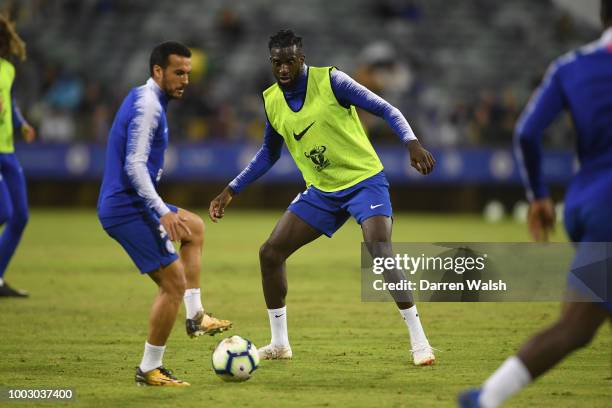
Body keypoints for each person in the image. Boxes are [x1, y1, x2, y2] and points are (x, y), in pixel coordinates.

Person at [209, 30, 437, 365]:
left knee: (379, 249)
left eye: (290, 61)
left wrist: (411, 142)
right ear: (271, 62)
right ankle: (279, 344)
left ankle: (420, 342)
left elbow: (385, 108)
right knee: (270, 254)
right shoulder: (272, 100)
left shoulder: (332, 80)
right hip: (322, 191)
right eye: (277, 62)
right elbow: (268, 154)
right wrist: (231, 190)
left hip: (364, 181)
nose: (284, 69)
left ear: (302, 58)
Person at [459, 1, 612, 406]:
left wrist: (539, 196)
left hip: (588, 206)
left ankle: (487, 397)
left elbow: (527, 132)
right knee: (577, 325)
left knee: (577, 327)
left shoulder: (570, 66)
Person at [97, 41, 231, 386]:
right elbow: (135, 165)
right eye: (178, 72)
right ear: (158, 71)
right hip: (127, 207)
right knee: (173, 284)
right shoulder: (148, 107)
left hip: (132, 203)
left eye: (188, 73)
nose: (185, 79)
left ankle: (196, 316)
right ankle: (148, 369)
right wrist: (161, 210)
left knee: (195, 228)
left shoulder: (151, 99)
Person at [0, 14, 36, 298]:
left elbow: (9, 102)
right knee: (4, 211)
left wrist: (21, 122)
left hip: (8, 151)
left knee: (20, 216)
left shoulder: (7, 69)